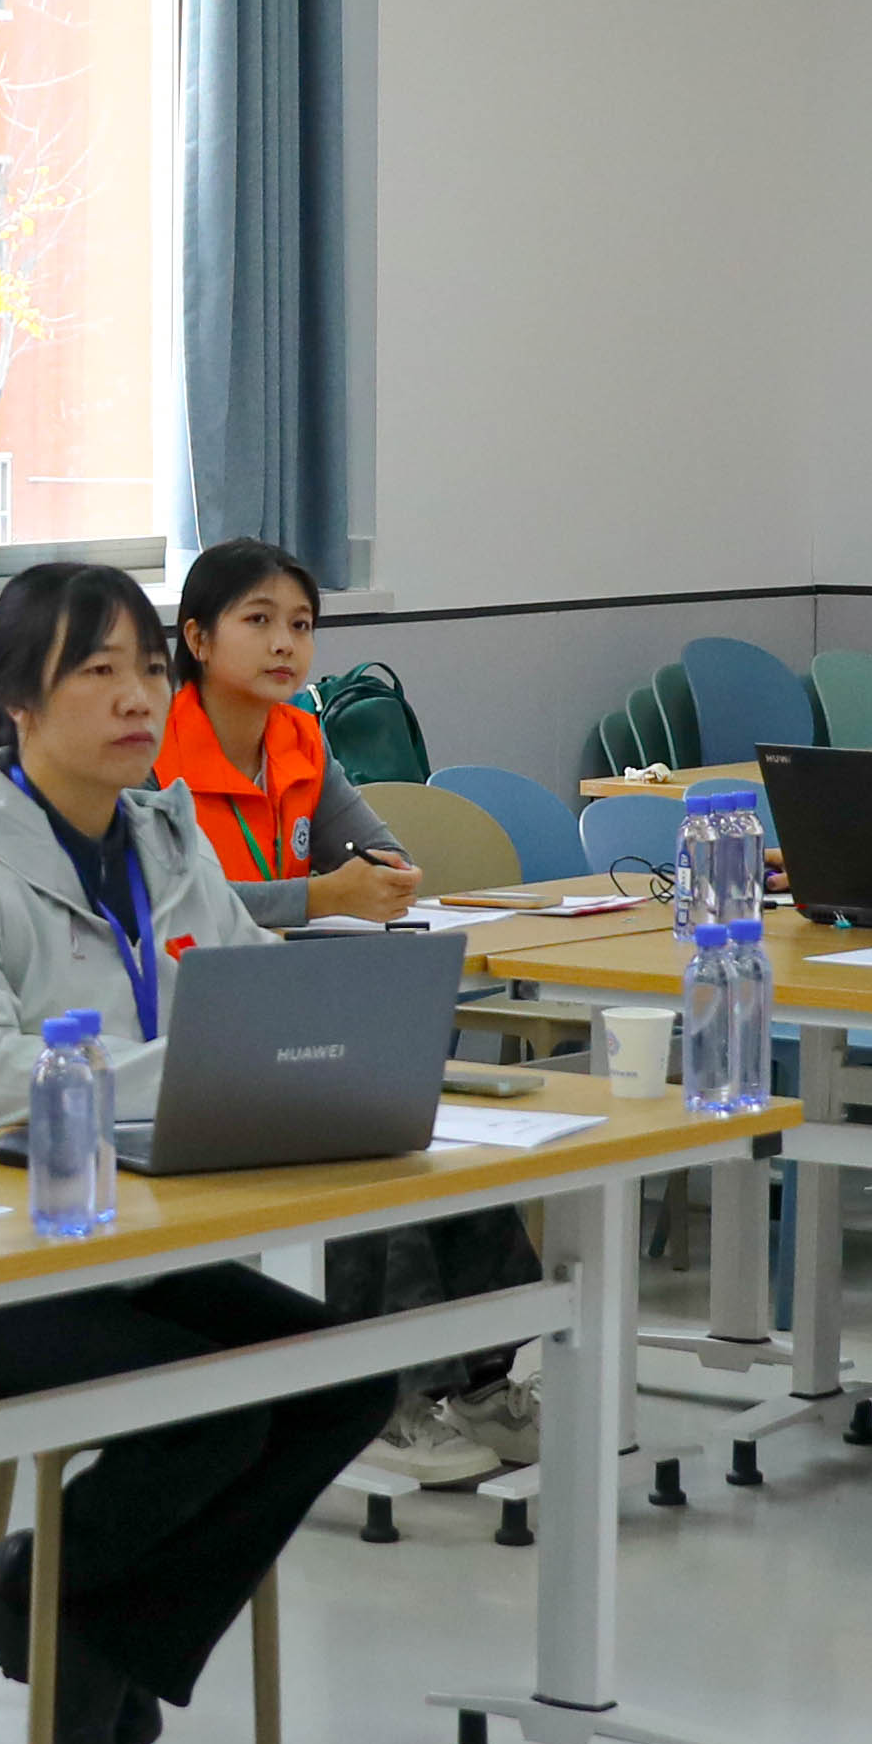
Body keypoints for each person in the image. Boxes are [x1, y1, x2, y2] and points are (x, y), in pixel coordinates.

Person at [0, 559, 405, 1744]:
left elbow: (254, 992)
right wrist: (196, 1065)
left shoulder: (163, 832)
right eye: (97, 671)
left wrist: (332, 1048)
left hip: (116, 1228)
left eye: (149, 668)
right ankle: (77, 1629)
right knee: (208, 1407)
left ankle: (77, 1622)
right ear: (20, 700)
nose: (138, 696)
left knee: (343, 1377)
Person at [156, 538, 534, 1487]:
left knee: (429, 1131)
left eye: (301, 624)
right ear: (197, 638)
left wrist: (381, 876)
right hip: (195, 1014)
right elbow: (178, 902)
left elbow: (380, 854)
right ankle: (384, 1397)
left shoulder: (300, 739)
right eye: (258, 621)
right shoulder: (155, 752)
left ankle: (483, 1378)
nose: (285, 643)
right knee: (361, 1146)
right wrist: (319, 896)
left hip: (305, 997)